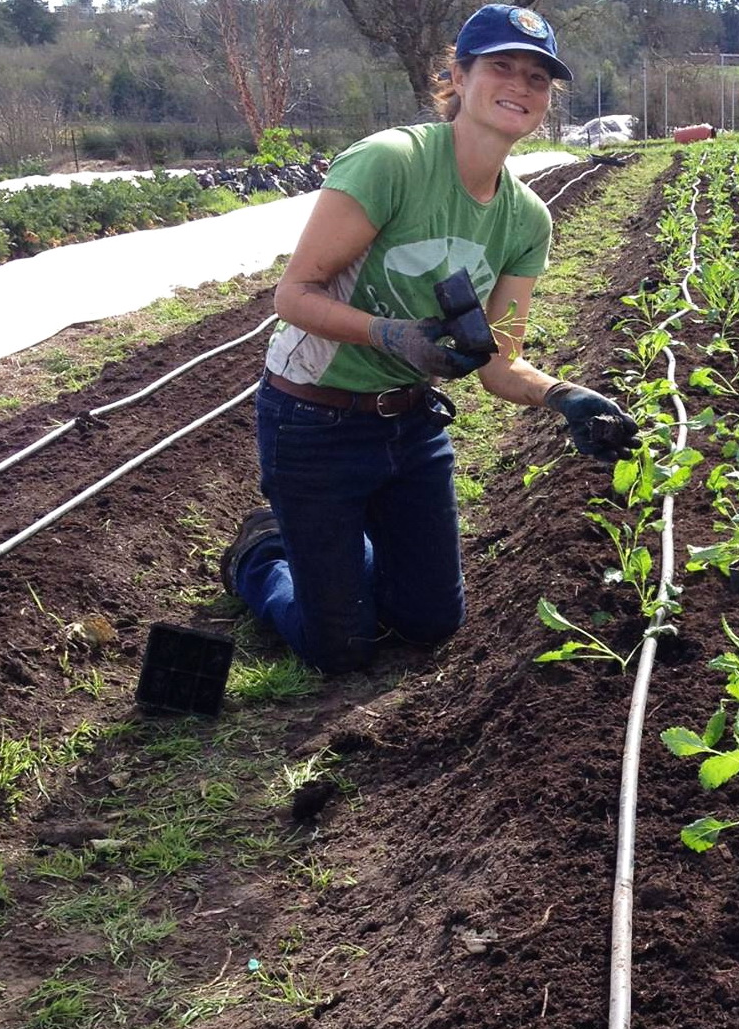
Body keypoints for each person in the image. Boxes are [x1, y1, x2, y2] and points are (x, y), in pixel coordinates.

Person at [220, 4, 636, 674]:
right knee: (340, 646)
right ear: (458, 74)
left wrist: (565, 396)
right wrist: (392, 334)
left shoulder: (525, 219)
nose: (520, 86)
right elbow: (293, 295)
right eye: (502, 67)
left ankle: (336, 550)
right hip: (313, 417)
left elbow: (500, 365)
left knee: (429, 622)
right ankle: (263, 553)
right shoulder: (393, 163)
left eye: (537, 77)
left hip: (409, 427)